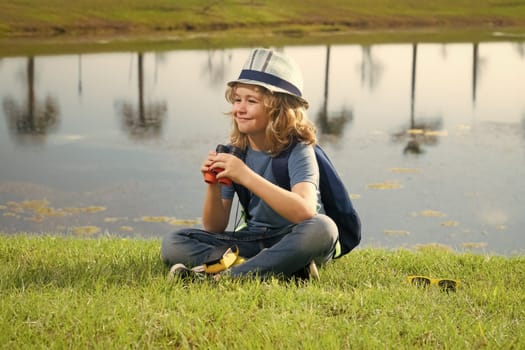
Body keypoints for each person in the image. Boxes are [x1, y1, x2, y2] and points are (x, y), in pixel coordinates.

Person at [161, 48, 338, 280]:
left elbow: (304, 211)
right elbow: (215, 227)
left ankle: (227, 276)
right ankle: (283, 267)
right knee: (174, 242)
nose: (239, 109)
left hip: (295, 235)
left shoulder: (298, 149)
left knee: (324, 228)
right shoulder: (236, 151)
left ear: (278, 109)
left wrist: (244, 175)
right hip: (253, 240)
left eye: (251, 101)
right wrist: (213, 186)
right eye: (237, 100)